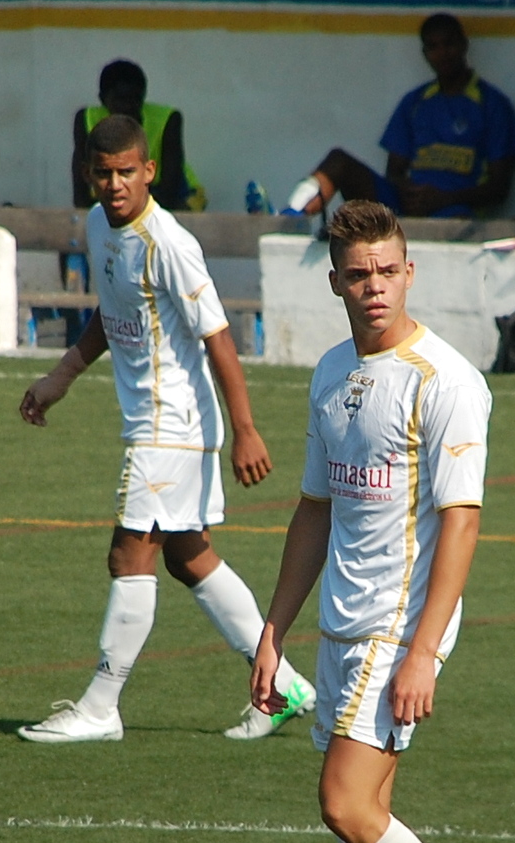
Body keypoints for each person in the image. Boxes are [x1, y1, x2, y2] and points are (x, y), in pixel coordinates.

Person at [249, 200, 506, 843]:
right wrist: (273, 630)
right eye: (358, 275)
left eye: (388, 272)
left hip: (399, 629)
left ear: (409, 273)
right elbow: (314, 510)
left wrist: (423, 652)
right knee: (360, 824)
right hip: (341, 624)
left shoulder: (445, 381)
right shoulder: (332, 372)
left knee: (345, 803)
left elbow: (461, 522)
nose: (374, 288)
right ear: (335, 282)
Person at [16, 115, 314, 745]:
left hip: (170, 424)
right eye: (104, 173)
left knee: (129, 554)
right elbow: (112, 312)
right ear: (89, 174)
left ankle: (101, 706)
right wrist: (61, 377)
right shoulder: (100, 226)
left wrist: (247, 429)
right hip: (155, 425)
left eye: (127, 172)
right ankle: (282, 685)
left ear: (149, 171)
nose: (115, 184)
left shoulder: (171, 244)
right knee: (187, 555)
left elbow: (219, 338)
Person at [284, 14, 515, 220]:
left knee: (459, 222)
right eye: (433, 47)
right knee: (338, 162)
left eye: (449, 44)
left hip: (455, 209)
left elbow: (499, 189)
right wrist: (409, 191)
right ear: (425, 53)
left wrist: (443, 199)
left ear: (464, 45)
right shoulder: (415, 102)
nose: (442, 53)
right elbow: (394, 172)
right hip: (406, 205)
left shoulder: (492, 104)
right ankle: (290, 218)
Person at [72, 59, 206, 212]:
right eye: (120, 100)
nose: (128, 107)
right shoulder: (87, 119)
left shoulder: (167, 119)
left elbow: (170, 188)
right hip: (118, 190)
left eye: (135, 99)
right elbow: (80, 184)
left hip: (168, 190)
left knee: (177, 216)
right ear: (103, 99)